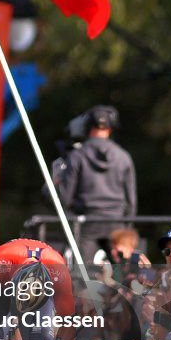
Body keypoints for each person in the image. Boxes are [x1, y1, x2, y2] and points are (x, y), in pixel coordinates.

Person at [56, 105, 137, 264]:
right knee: (121, 276)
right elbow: (131, 201)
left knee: (83, 277)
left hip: (86, 224)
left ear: (87, 127)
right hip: (117, 223)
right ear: (111, 128)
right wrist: (126, 227)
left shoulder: (76, 156)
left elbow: (65, 197)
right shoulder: (124, 157)